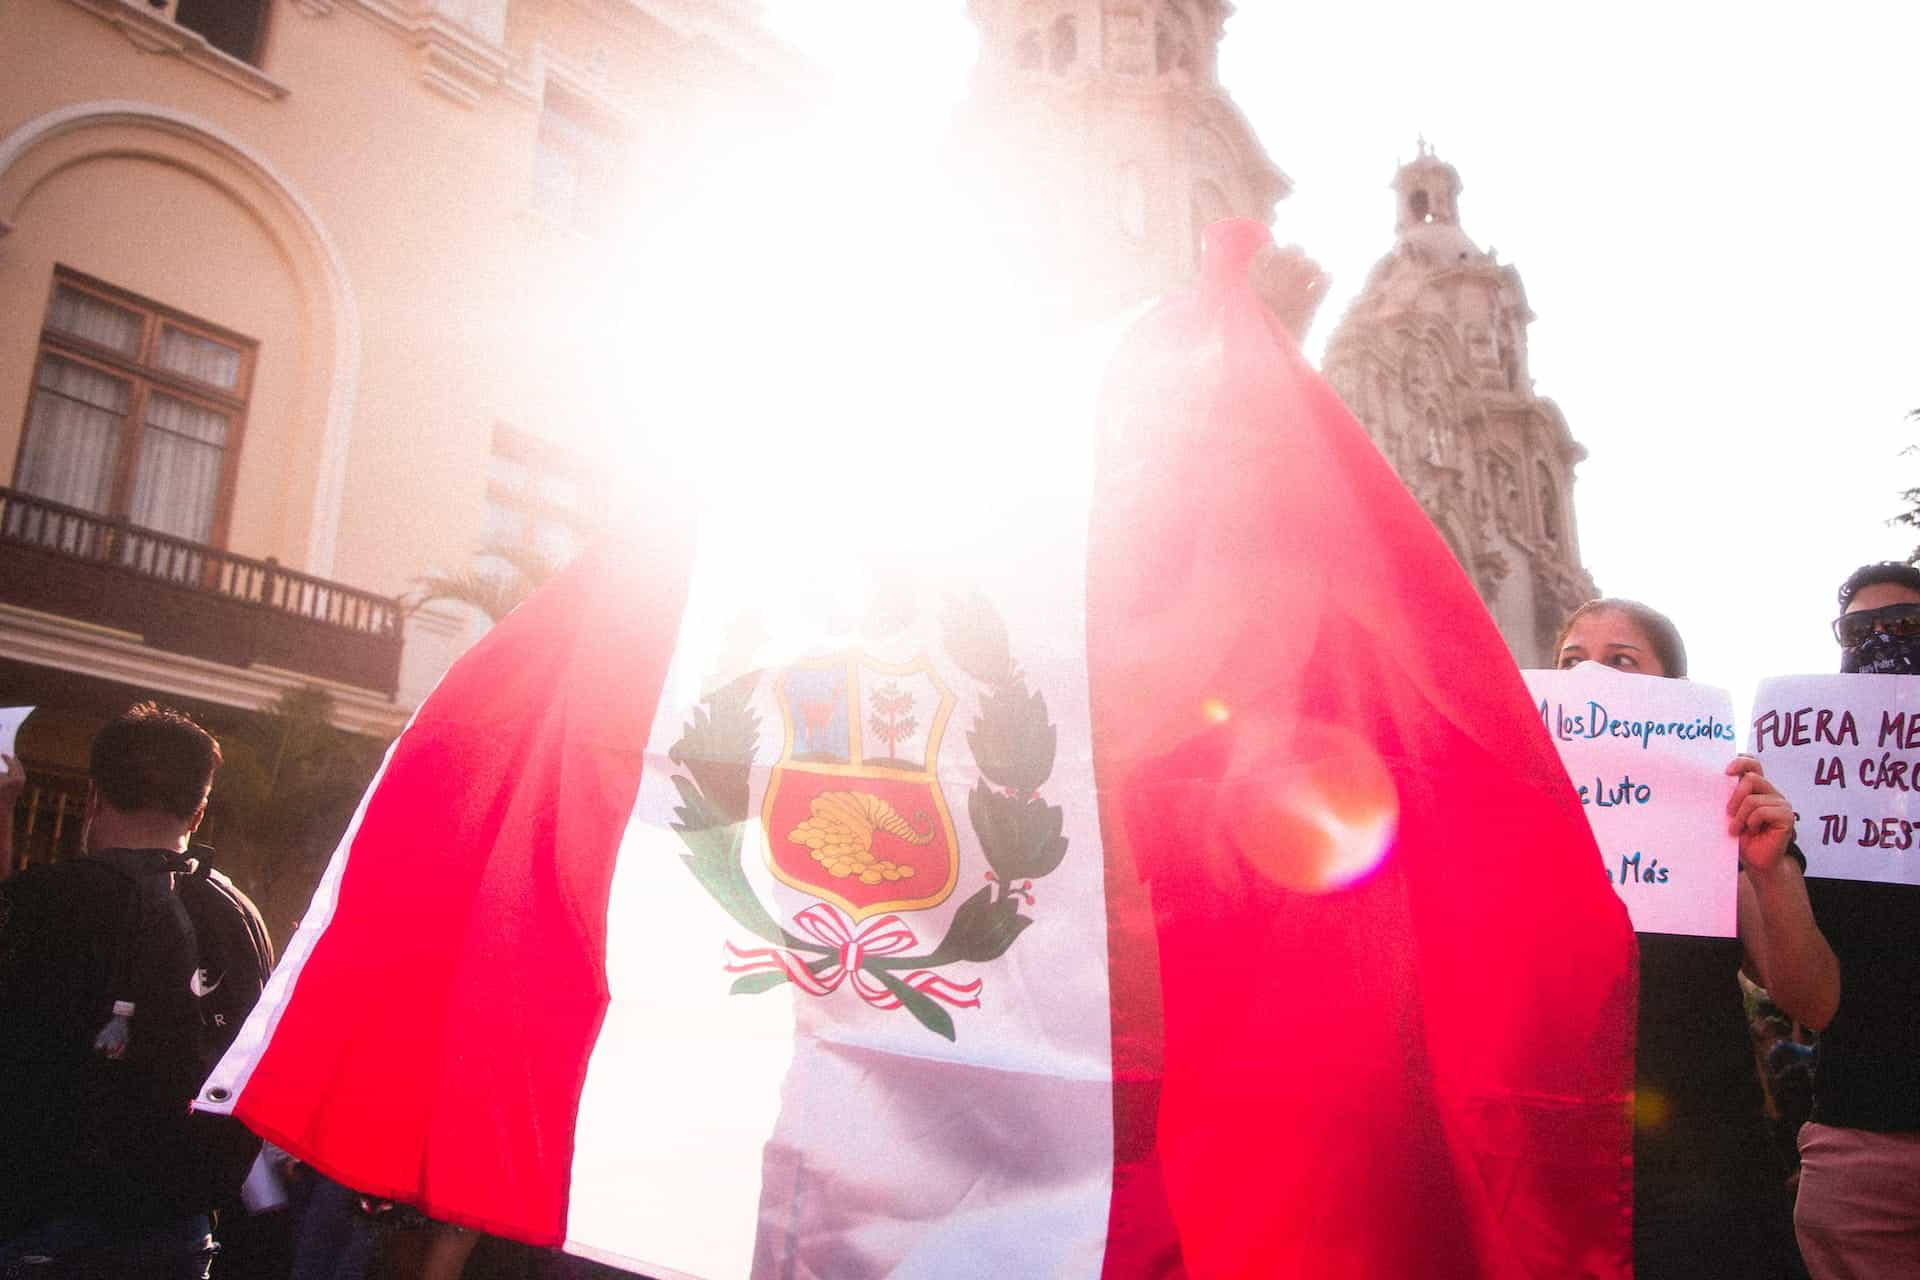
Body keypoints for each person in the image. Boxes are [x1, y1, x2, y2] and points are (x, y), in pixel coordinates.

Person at [1555, 598, 1819, 1279]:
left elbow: (1809, 999)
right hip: (1555, 1165)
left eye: (1621, 660)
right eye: (1572, 661)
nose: (1593, 678)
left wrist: (1770, 870)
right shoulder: (1520, 818)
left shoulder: (1724, 813)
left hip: (1705, 1170)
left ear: (1674, 694)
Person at [0, 703, 231, 1278]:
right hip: (176, 1227)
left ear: (93, 794)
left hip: (42, 1218)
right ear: (198, 811)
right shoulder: (238, 916)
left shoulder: (46, 899)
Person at [1785, 562, 1920, 1278]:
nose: (1883, 642)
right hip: (1862, 1145)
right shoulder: (1813, 811)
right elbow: (1808, 1000)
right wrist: (1770, 865)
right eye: (1859, 631)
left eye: (1907, 626)